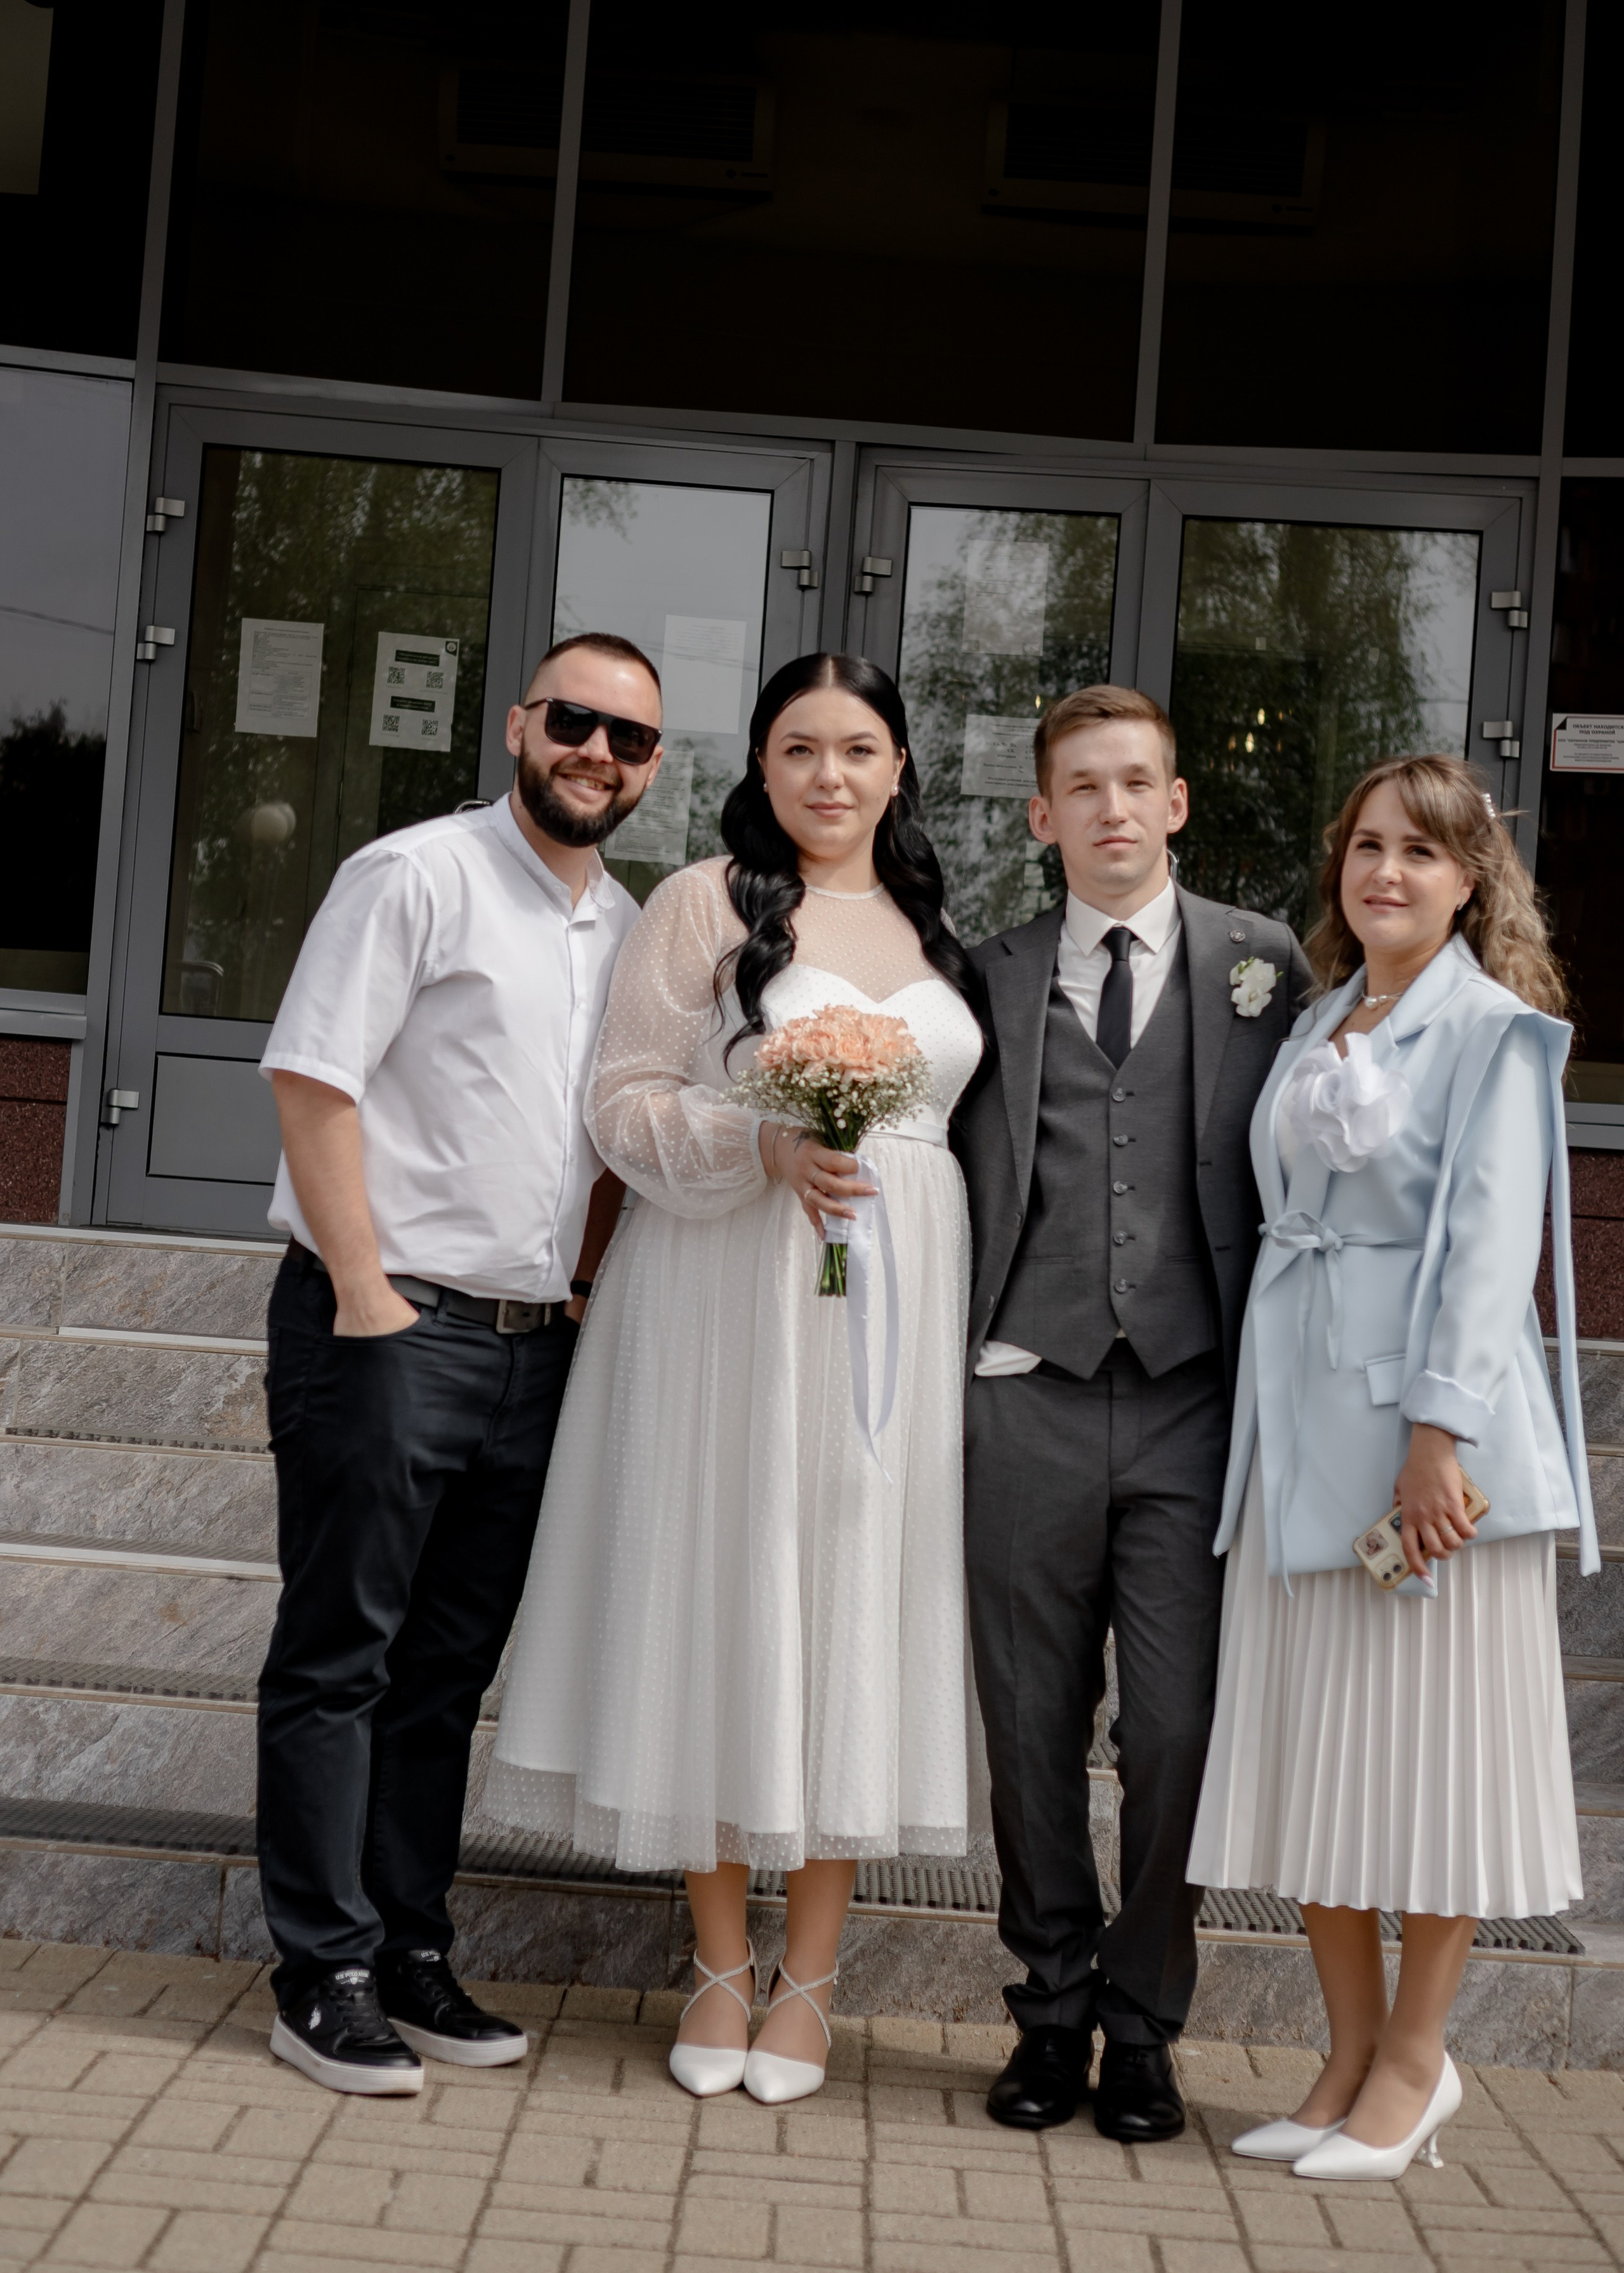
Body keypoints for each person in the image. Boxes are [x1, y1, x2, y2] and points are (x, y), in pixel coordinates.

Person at [487, 653, 983, 2104]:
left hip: (895, 1299)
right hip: (724, 1289)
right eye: (795, 749)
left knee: (850, 1600)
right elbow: (622, 1096)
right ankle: (715, 1962)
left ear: (900, 767)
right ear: (758, 768)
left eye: (857, 748)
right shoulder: (703, 902)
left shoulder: (944, 926)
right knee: (720, 1588)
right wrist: (759, 1141)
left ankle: (811, 1981)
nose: (827, 776)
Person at [256, 631, 664, 2096]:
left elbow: (611, 1140)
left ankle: (409, 1950)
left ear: (652, 768)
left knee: (443, 1675)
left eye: (625, 739)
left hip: (528, 1346)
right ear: (516, 725)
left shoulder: (625, 927)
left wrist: (582, 1294)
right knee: (340, 1659)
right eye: (573, 722)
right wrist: (364, 1290)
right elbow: (313, 1077)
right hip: (389, 1322)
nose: (594, 755)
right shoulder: (413, 874)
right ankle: (324, 1972)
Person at [1190, 754, 1595, 2181]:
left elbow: (1491, 1256)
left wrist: (1436, 1438)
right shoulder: (1312, 1020)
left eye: (1418, 855)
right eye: (1364, 848)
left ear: (1467, 880)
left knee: (1427, 1768)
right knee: (1317, 1765)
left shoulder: (1493, 1035)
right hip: (1294, 1440)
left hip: (1424, 1455)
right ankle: (1344, 2058)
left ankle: (1417, 2065)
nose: (1384, 875)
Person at [952, 683, 1310, 2140]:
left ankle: (1142, 2020)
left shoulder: (1266, 966)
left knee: (1173, 1730)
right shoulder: (982, 973)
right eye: (1080, 787)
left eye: (1136, 783)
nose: (1110, 808)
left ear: (1175, 804)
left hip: (1194, 1405)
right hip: (1024, 1398)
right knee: (1030, 1727)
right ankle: (1047, 2014)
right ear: (1043, 818)